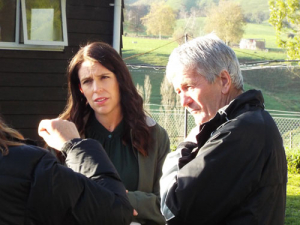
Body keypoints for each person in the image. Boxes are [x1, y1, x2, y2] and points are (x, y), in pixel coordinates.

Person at [160, 33, 287, 225]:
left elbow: (173, 208)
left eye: (189, 87)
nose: (183, 101)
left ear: (225, 81)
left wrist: (184, 147)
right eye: (179, 92)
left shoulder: (240, 132)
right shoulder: (251, 123)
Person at [59, 42, 170, 225]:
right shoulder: (66, 136)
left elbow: (168, 204)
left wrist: (124, 199)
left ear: (120, 80)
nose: (97, 89)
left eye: (104, 77)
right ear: (81, 89)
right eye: (87, 81)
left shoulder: (155, 135)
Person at [0, 116, 133, 224]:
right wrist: (73, 144)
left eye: (105, 80)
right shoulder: (29, 164)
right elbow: (116, 213)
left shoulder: (148, 130)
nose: (96, 89)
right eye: (87, 82)